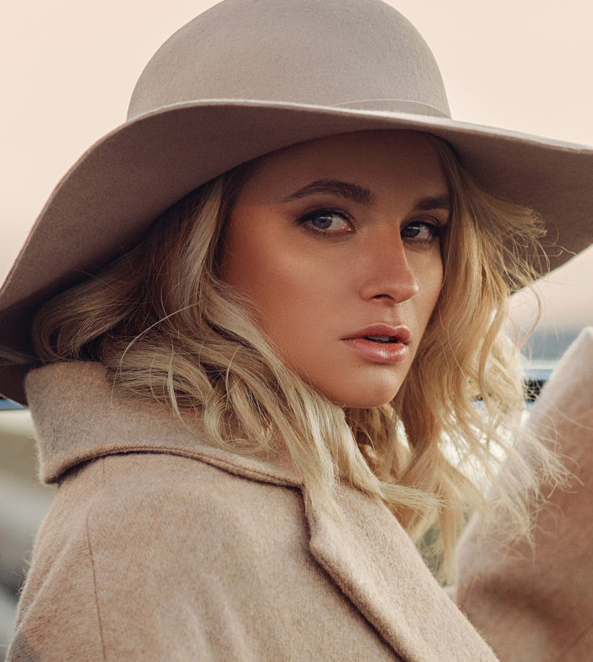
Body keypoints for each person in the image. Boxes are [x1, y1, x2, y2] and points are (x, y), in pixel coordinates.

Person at [1, 0, 592, 659]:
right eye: (326, 219)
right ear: (191, 252)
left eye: (421, 229)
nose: (398, 278)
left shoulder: (296, 495)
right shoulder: (142, 536)